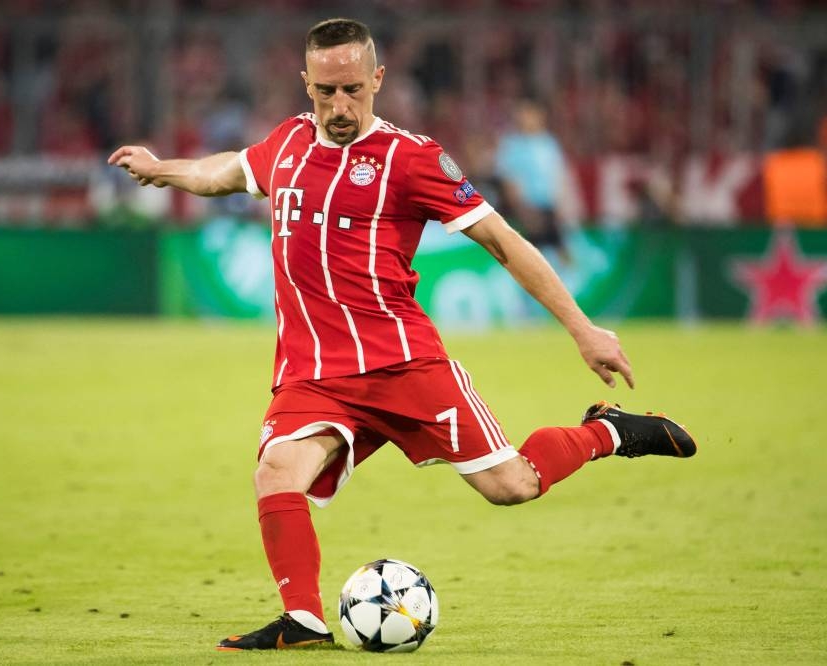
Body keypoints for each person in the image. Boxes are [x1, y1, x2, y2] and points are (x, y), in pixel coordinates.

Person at [108, 18, 697, 652]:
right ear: (305, 82)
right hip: (314, 375)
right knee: (277, 471)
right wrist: (163, 168)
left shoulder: (412, 158)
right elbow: (225, 171)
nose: (339, 106)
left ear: (378, 80)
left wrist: (582, 329)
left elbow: (501, 240)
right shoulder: (285, 145)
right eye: (326, 91)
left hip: (404, 365)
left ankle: (607, 431)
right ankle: (303, 621)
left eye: (353, 90)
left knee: (512, 486)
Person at [493, 99, 571, 263]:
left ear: (540, 115)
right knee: (531, 259)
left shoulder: (550, 143)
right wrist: (523, 211)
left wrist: (561, 206)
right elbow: (508, 182)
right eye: (522, 113)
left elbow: (558, 176)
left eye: (529, 113)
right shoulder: (512, 145)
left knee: (562, 255)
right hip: (527, 210)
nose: (525, 118)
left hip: (549, 207)